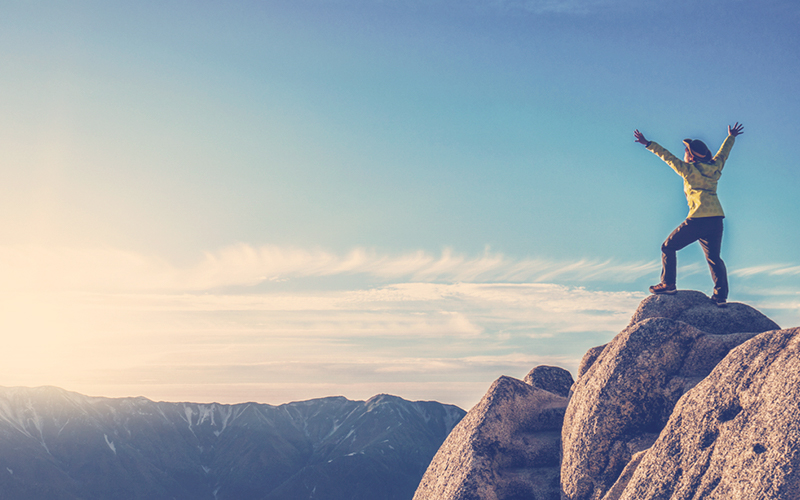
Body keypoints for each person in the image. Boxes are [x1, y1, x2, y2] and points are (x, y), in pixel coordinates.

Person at [633, 122, 744, 308]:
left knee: (668, 247)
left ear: (691, 156)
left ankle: (668, 284)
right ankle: (720, 296)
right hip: (716, 218)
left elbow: (667, 157)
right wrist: (731, 137)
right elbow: (724, 154)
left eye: (686, 151)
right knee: (714, 258)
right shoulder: (715, 167)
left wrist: (648, 143)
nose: (684, 153)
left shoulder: (689, 170)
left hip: (698, 218)